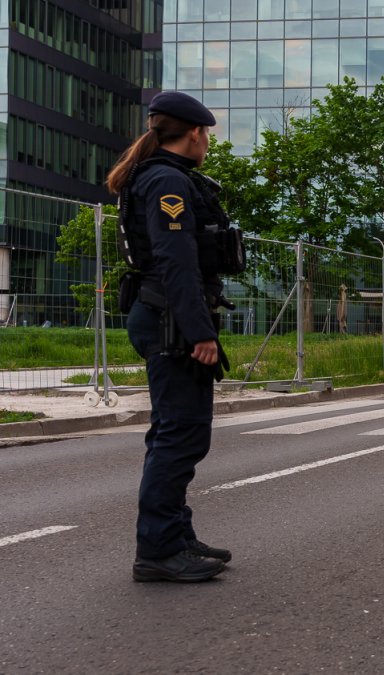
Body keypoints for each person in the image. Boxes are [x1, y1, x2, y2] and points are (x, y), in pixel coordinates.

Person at [108, 92, 238, 583]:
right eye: (207, 135)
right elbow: (176, 261)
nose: (208, 143)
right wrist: (199, 332)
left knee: (175, 433)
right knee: (179, 437)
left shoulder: (161, 175)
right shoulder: (166, 181)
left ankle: (175, 535)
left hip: (164, 314)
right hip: (171, 319)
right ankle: (158, 550)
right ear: (195, 134)